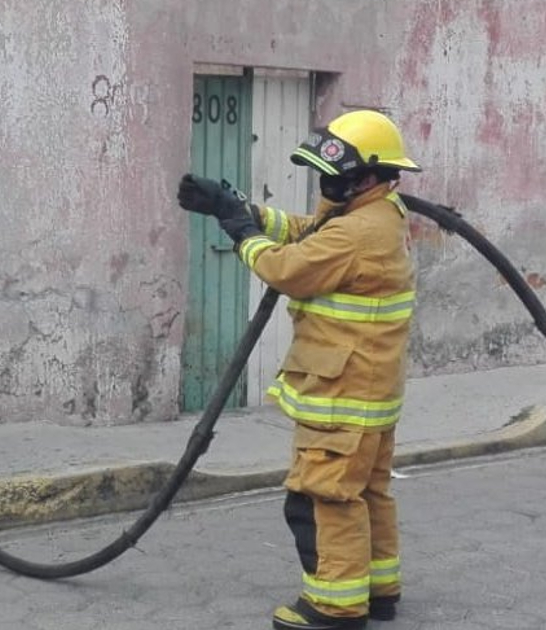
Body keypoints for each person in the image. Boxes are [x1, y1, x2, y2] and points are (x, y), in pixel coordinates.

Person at [177, 110, 421, 629]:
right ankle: (379, 589)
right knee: (368, 491)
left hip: (342, 395)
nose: (328, 186)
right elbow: (309, 230)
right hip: (370, 393)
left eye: (338, 177)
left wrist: (239, 231)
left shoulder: (357, 232)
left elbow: (286, 268)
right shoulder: (380, 214)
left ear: (369, 175)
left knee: (323, 496)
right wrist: (239, 207)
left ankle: (335, 605)